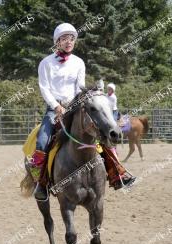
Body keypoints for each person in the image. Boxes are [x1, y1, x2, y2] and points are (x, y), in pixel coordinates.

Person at [29, 23, 135, 201]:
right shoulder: (45, 63)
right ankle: (41, 183)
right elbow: (44, 89)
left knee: (102, 132)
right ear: (57, 41)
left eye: (72, 38)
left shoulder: (78, 62)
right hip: (54, 109)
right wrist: (56, 106)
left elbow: (80, 87)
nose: (69, 41)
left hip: (76, 107)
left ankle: (118, 174)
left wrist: (90, 97)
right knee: (41, 142)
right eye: (64, 38)